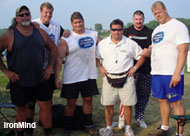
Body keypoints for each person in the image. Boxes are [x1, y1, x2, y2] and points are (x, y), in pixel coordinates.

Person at [0, 5, 57, 136]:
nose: (25, 16)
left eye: (27, 14)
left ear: (31, 16)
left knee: (46, 106)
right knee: (22, 110)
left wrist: (49, 67)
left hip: (40, 78)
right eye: (21, 15)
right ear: (17, 18)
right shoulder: (9, 34)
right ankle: (21, 133)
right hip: (20, 80)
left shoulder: (40, 32)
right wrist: (6, 72)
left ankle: (48, 132)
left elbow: (53, 49)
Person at [142, 1, 190, 136]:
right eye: (155, 14)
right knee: (162, 100)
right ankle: (165, 127)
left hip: (171, 72)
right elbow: (156, 48)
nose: (157, 15)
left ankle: (179, 133)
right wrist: (147, 52)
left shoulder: (178, 26)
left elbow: (184, 50)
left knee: (175, 102)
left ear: (165, 10)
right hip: (157, 72)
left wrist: (177, 73)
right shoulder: (156, 30)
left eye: (159, 12)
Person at [96, 19, 146, 136]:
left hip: (126, 77)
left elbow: (142, 56)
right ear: (110, 30)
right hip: (109, 78)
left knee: (128, 105)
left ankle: (128, 128)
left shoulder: (130, 43)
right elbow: (96, 57)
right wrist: (101, 67)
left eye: (119, 29)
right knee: (108, 105)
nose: (116, 32)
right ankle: (108, 128)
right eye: (114, 29)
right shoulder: (102, 44)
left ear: (122, 30)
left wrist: (134, 68)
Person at [55, 12, 100, 136]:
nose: (78, 24)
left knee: (88, 100)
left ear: (83, 21)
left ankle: (88, 125)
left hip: (89, 75)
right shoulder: (66, 38)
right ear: (71, 24)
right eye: (75, 22)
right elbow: (59, 59)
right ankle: (67, 127)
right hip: (71, 77)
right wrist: (57, 76)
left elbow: (107, 44)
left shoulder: (93, 34)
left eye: (80, 21)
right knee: (71, 103)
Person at [25, 3, 65, 135]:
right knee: (31, 101)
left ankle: (45, 121)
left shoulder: (57, 26)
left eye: (50, 13)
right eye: (45, 12)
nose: (48, 15)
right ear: (40, 12)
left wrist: (68, 33)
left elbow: (64, 36)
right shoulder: (33, 24)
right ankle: (28, 125)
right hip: (34, 69)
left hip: (50, 68)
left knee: (48, 98)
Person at [118, 10, 153, 129]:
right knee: (125, 96)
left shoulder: (150, 32)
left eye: (141, 19)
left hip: (145, 69)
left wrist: (149, 52)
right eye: (136, 19)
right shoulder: (126, 32)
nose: (138, 21)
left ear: (144, 19)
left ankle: (139, 117)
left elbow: (151, 50)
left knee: (143, 95)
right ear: (133, 19)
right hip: (128, 70)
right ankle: (122, 119)